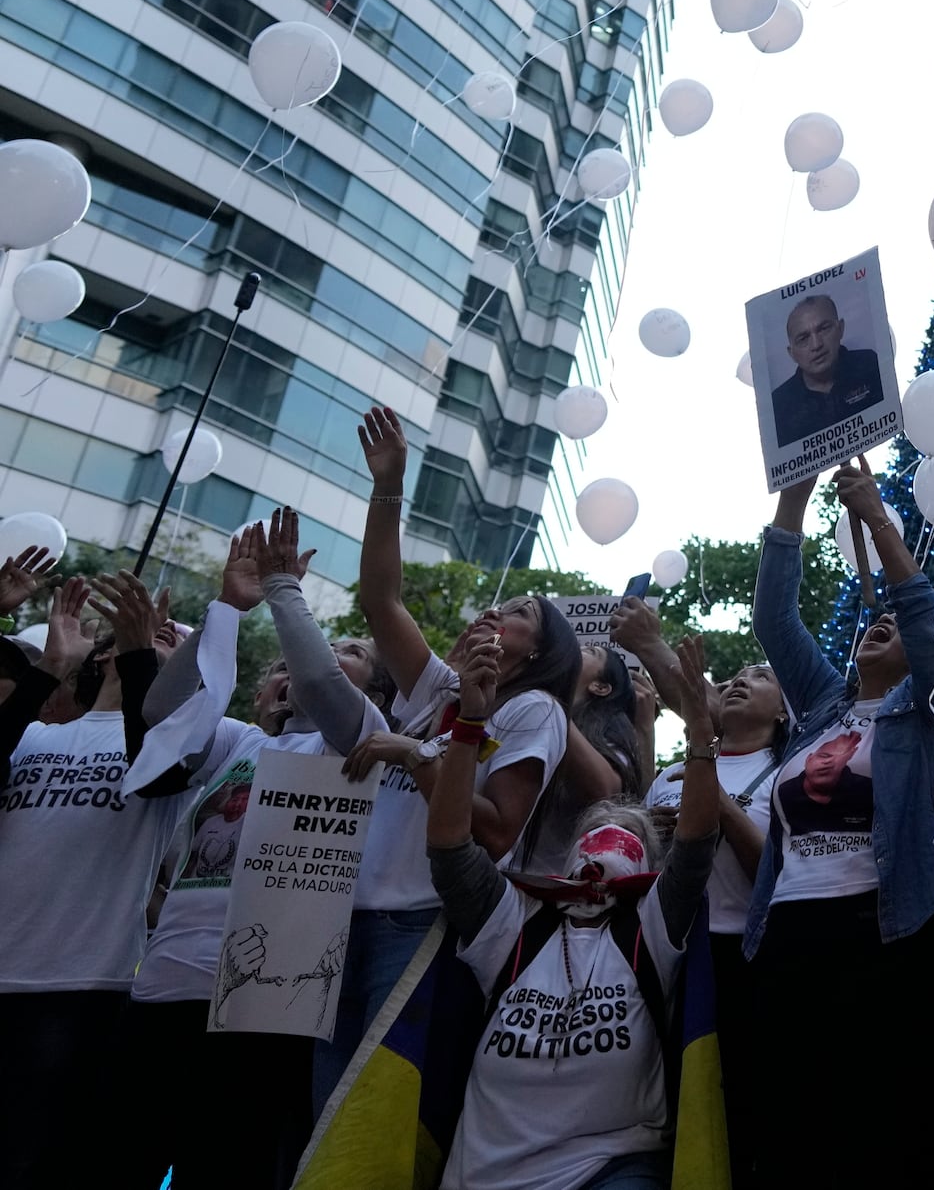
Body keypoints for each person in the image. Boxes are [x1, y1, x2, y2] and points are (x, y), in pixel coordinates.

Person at [120, 511, 386, 1189]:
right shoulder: (238, 739)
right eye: (281, 663)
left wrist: (282, 592)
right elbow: (161, 711)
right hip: (166, 985)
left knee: (224, 1170)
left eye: (342, 657)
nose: (298, 669)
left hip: (264, 1006)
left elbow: (325, 687)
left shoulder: (355, 740)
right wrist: (226, 608)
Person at [325, 404, 577, 1107]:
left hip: (422, 924)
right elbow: (380, 600)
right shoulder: (434, 683)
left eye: (522, 610)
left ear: (540, 649)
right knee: (323, 1113)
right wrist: (388, 487)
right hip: (341, 917)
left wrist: (416, 754)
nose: (500, 612)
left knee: (375, 1121)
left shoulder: (534, 711)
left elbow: (496, 829)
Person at [428, 625, 721, 1190]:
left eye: (629, 829)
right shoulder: (514, 922)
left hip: (612, 1168)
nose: (610, 830)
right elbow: (448, 844)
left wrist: (701, 736)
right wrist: (468, 723)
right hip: (484, 1175)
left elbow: (695, 844)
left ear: (648, 865)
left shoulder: (650, 928)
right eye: (598, 824)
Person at [744, 457, 934, 1189]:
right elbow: (773, 617)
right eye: (875, 618)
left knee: (880, 1133)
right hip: (788, 934)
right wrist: (795, 491)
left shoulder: (924, 711)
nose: (881, 624)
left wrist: (875, 516)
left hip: (884, 936)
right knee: (788, 1136)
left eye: (895, 624)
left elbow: (926, 621)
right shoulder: (820, 707)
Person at [0, 568, 181, 1186]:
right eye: (147, 632)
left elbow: (154, 763)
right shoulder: (36, 735)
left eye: (170, 639)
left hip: (79, 987)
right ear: (100, 654)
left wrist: (140, 659)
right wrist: (50, 664)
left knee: (33, 1163)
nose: (157, 634)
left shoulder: (173, 748)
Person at [620, 604, 785, 1190]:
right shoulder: (669, 774)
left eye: (762, 676)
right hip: (659, 956)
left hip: (736, 959)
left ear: (786, 709)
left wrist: (709, 798)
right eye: (736, 673)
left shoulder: (786, 772)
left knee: (729, 1104)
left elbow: (772, 867)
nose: (741, 679)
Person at [522, 640, 650, 876]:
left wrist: (552, 696)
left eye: (589, 651)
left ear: (600, 687)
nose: (573, 650)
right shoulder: (526, 708)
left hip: (554, 896)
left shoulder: (607, 744)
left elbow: (604, 792)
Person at [768, 293, 884, 445]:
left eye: (823, 329)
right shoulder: (779, 405)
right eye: (803, 338)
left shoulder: (869, 364)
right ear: (792, 353)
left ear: (840, 329)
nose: (816, 345)